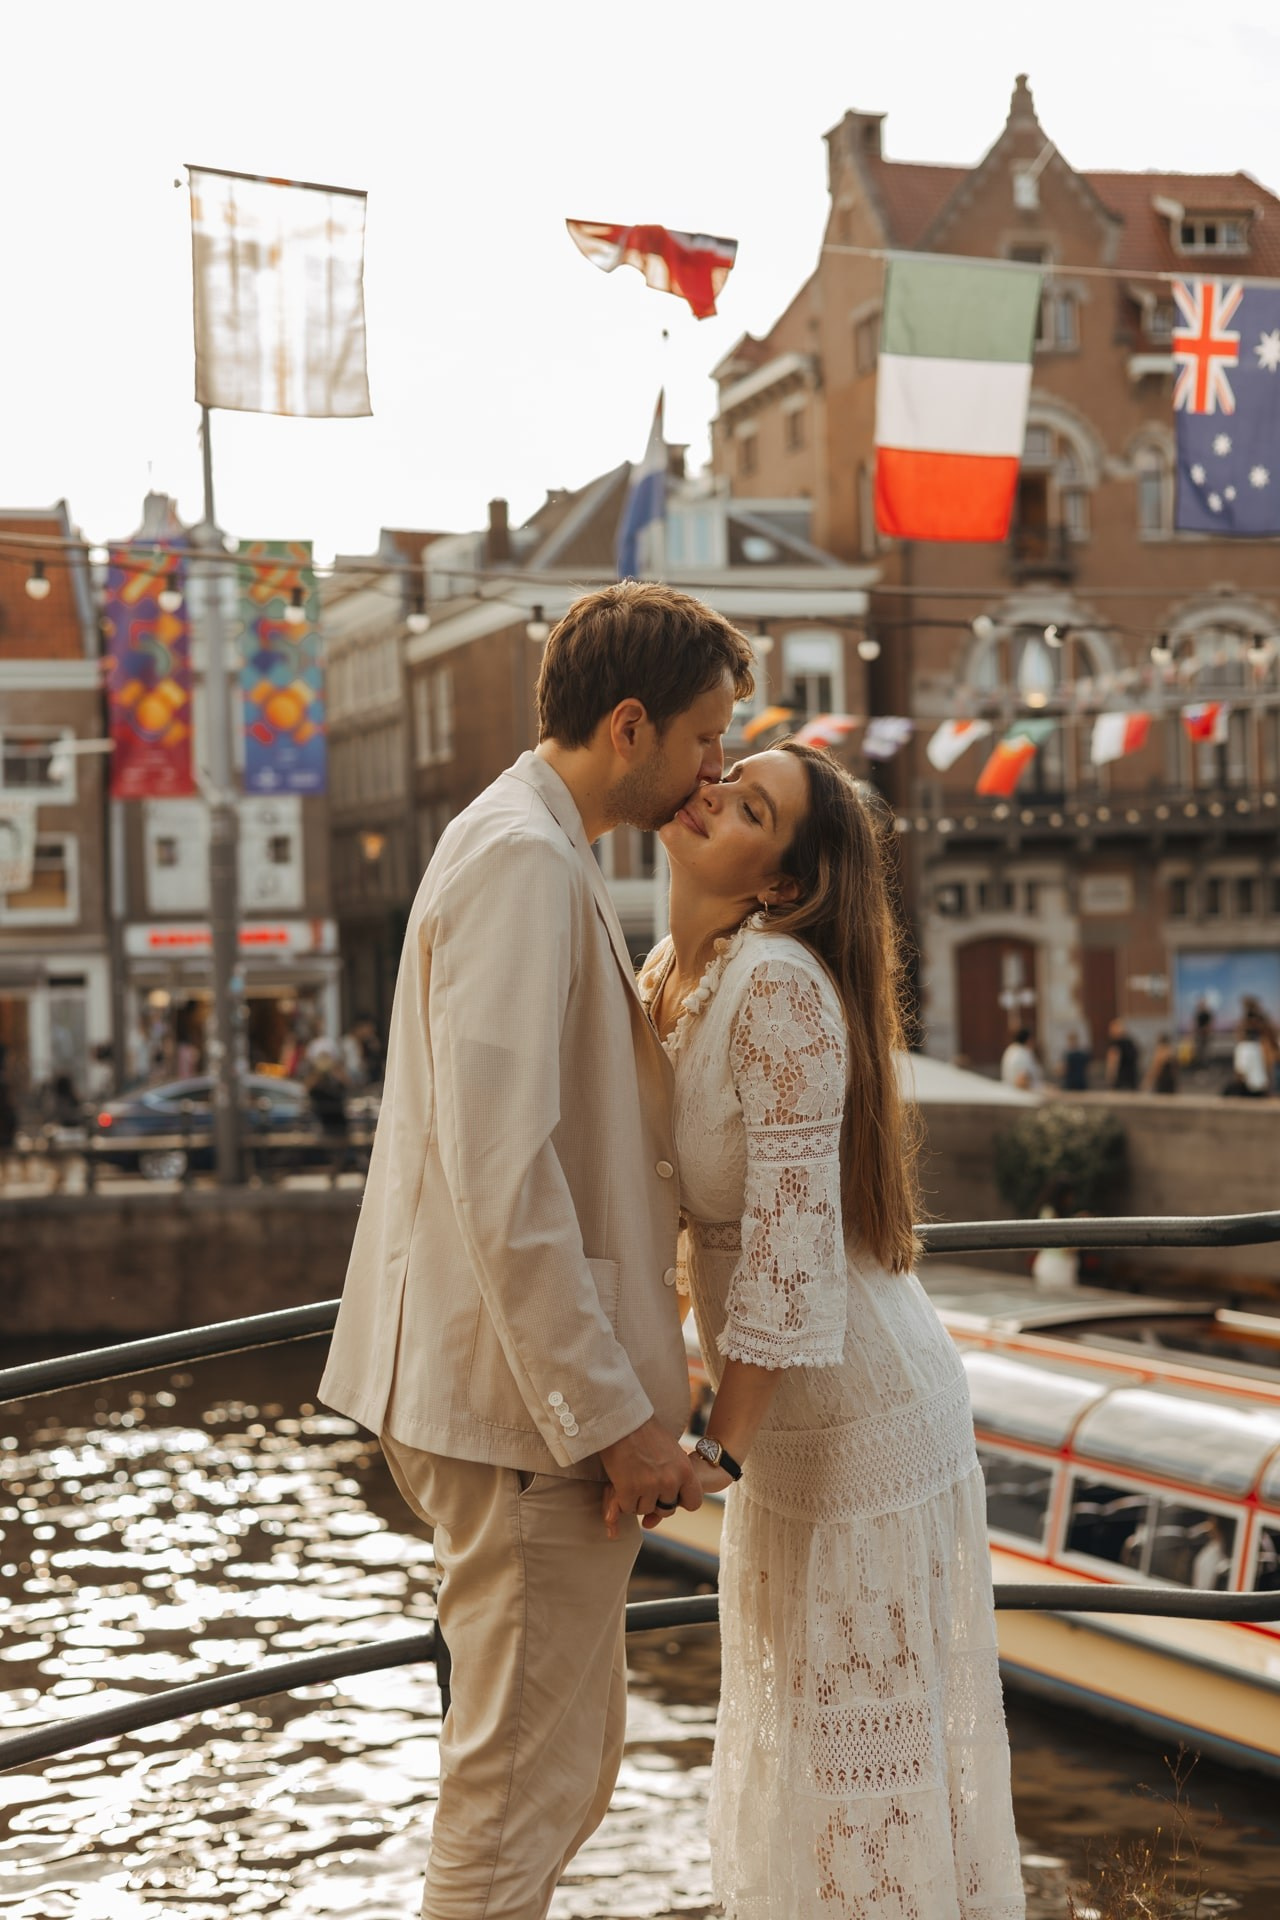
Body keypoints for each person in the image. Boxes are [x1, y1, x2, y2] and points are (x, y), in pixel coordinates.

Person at [319, 581, 754, 1920]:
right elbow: (504, 1176)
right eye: (703, 739)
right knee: (516, 1802)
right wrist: (615, 1421)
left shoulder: (527, 841)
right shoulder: (523, 859)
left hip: (517, 1409)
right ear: (628, 727)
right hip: (524, 1422)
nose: (715, 769)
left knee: (552, 1779)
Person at [632, 743, 1025, 1919]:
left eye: (749, 808)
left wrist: (717, 1450)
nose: (710, 793)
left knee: (864, 1789)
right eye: (726, 774)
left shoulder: (777, 988)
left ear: (780, 884)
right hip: (788, 1432)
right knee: (810, 1772)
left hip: (861, 1427)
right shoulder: (666, 974)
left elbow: (787, 1251)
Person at [1000, 1025, 1043, 1091]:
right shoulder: (1022, 1054)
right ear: (1029, 1039)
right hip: (1021, 1093)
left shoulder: (1011, 1049)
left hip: (1010, 1090)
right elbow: (1021, 1081)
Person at [1104, 1016, 1140, 1091]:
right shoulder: (1130, 1043)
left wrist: (1110, 1080)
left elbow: (1112, 1063)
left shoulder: (1115, 1044)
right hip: (1132, 1080)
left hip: (1121, 1081)